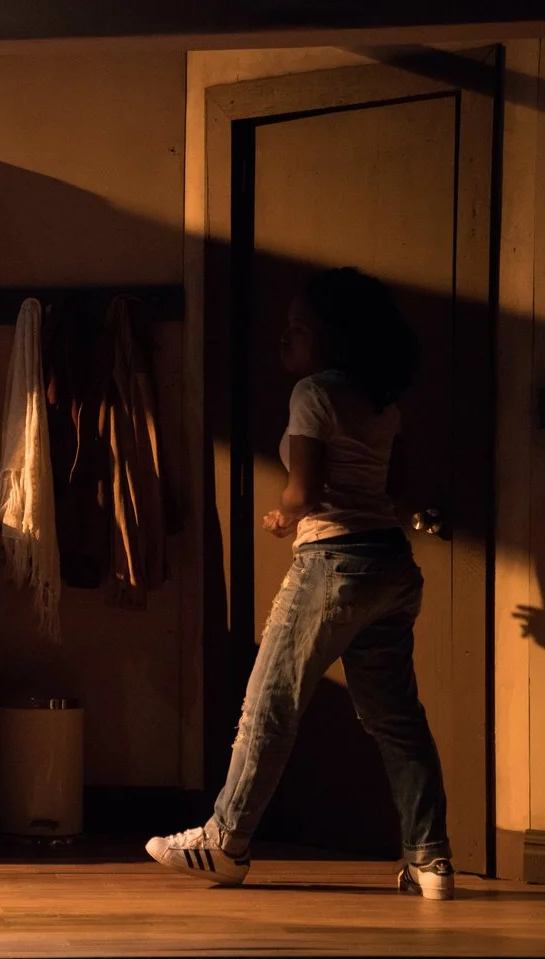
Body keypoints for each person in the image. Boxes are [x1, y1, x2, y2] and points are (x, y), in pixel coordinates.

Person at [145, 267, 455, 900]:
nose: (284, 341)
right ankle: (432, 862)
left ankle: (225, 843)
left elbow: (306, 488)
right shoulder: (382, 400)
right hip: (391, 567)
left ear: (331, 339)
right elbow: (394, 487)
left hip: (332, 563)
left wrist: (286, 514)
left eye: (297, 330)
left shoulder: (313, 394)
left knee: (269, 703)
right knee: (398, 721)